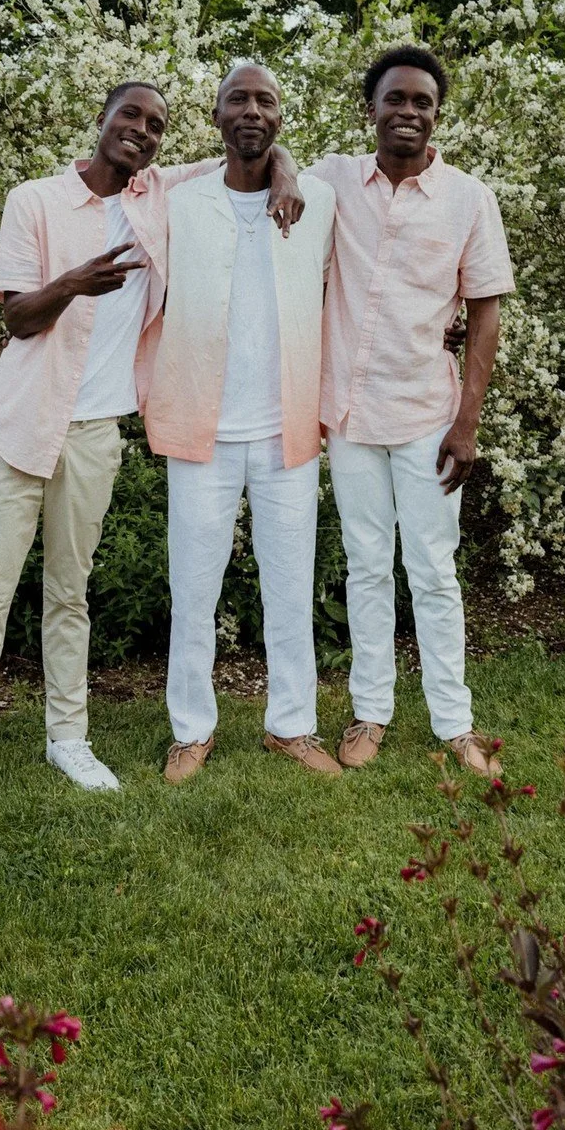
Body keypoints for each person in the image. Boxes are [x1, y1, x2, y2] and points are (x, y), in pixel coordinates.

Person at [0, 81, 302, 819]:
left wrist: (286, 168)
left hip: (96, 432)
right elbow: (18, 321)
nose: (142, 131)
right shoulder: (34, 201)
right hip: (20, 425)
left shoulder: (156, 195)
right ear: (101, 119)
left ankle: (67, 736)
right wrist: (73, 282)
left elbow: (247, 153)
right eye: (130, 116)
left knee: (71, 595)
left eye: (156, 124)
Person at [305, 45, 515, 776]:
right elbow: (265, 169)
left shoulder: (468, 198)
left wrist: (468, 422)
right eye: (395, 99)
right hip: (350, 414)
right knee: (365, 566)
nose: (409, 112)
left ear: (436, 115)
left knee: (432, 568)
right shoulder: (333, 181)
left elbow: (484, 312)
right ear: (371, 108)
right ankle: (370, 712)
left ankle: (455, 723)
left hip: (429, 413)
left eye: (422, 102)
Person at [141, 63, 341, 783]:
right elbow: (125, 182)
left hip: (288, 428)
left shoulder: (315, 198)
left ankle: (292, 726)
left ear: (282, 116)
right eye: (237, 100)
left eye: (265, 101)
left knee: (291, 584)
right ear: (216, 114)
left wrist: (286, 172)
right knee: (194, 588)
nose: (251, 110)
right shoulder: (180, 198)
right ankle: (190, 731)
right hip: (202, 429)